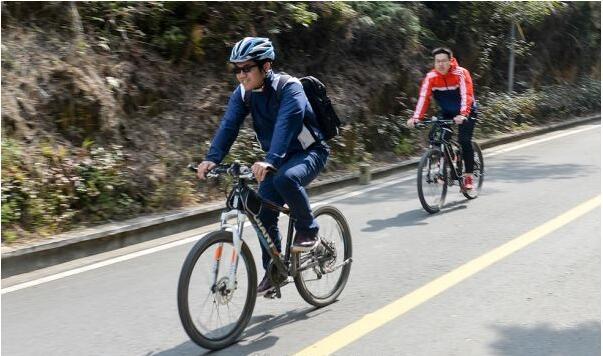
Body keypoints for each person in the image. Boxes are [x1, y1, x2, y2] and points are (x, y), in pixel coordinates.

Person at [196, 37, 329, 295]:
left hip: (310, 151)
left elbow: (286, 126)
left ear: (266, 66)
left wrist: (270, 160)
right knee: (261, 211)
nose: (241, 75)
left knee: (285, 179)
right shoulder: (244, 94)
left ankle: (308, 228)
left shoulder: (289, 88)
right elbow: (229, 125)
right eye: (237, 69)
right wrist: (212, 158)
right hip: (277, 157)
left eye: (247, 68)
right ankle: (275, 271)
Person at [407, 47, 478, 190]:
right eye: (437, 61)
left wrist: (463, 114)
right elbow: (423, 98)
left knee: (464, 140)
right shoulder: (431, 77)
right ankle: (446, 162)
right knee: (436, 136)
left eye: (444, 61)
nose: (440, 64)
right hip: (446, 112)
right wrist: (416, 118)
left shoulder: (461, 73)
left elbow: (467, 95)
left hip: (467, 111)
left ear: (450, 61)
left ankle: (468, 176)